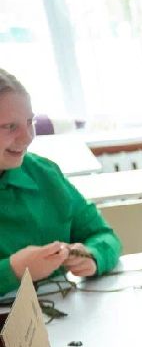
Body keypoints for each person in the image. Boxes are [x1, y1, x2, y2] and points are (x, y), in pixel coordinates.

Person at [0, 69, 120, 297]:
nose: (27, 138)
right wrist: (13, 270)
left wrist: (93, 255)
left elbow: (104, 234)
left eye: (29, 122)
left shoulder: (44, 173)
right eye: (9, 127)